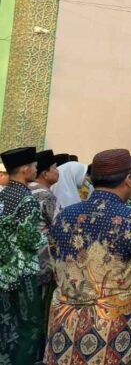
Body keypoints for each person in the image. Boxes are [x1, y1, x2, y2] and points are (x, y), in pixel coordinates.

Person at [45, 149, 131, 365]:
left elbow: (55, 265)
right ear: (128, 179)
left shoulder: (64, 217)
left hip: (65, 327)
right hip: (113, 332)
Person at [0, 147, 45, 365]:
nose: (37, 170)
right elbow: (28, 238)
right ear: (25, 169)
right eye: (35, 166)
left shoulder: (2, 193)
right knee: (29, 326)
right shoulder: (27, 199)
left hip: (1, 269)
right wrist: (47, 239)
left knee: (6, 323)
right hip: (20, 272)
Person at [29, 149, 60, 360]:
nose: (57, 171)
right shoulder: (45, 195)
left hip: (24, 265)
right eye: (54, 168)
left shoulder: (22, 190)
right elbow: (57, 228)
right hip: (43, 265)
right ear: (44, 173)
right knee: (40, 317)